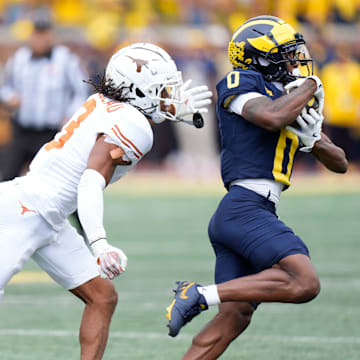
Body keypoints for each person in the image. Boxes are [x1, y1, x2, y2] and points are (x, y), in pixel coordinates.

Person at [0, 42, 212, 359]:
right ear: (140, 90)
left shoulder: (103, 101)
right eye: (163, 90)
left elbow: (123, 124)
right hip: (27, 211)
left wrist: (167, 111)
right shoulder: (134, 125)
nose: (170, 95)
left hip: (46, 212)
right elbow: (90, 179)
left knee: (102, 297)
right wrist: (99, 243)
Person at [166, 16, 348, 359]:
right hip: (244, 208)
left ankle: (204, 299)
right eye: (285, 54)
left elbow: (340, 164)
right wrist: (310, 86)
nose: (294, 62)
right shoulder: (241, 82)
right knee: (304, 282)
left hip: (252, 210)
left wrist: (314, 141)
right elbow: (270, 117)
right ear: (259, 57)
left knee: (235, 315)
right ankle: (199, 294)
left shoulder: (286, 96)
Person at [0, 13, 89, 181]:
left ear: (51, 35)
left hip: (51, 133)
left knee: (53, 181)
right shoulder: (20, 58)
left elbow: (81, 89)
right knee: (7, 178)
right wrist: (11, 98)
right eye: (37, 33)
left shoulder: (66, 59)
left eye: (44, 33)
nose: (40, 38)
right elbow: (5, 87)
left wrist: (71, 116)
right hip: (22, 130)